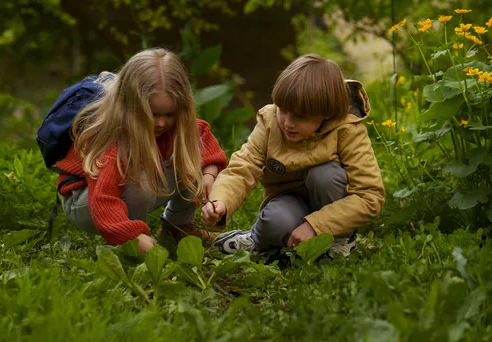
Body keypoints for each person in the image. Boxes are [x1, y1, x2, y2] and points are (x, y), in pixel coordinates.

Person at [201, 54, 385, 257]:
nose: (288, 123)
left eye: (300, 116)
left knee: (324, 174)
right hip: (289, 199)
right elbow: (243, 167)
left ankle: (341, 240)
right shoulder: (270, 122)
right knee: (275, 222)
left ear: (327, 113)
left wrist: (317, 226)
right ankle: (255, 238)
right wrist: (220, 202)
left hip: (333, 200)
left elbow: (369, 195)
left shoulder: (348, 128)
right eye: (283, 110)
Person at [56, 48, 227, 254]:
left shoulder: (176, 124)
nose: (162, 122)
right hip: (87, 201)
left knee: (190, 159)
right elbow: (104, 200)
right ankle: (130, 244)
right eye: (152, 114)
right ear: (131, 106)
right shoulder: (115, 141)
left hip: (126, 186)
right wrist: (133, 237)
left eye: (170, 114)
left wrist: (209, 174)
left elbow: (203, 138)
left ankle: (177, 226)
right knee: (141, 186)